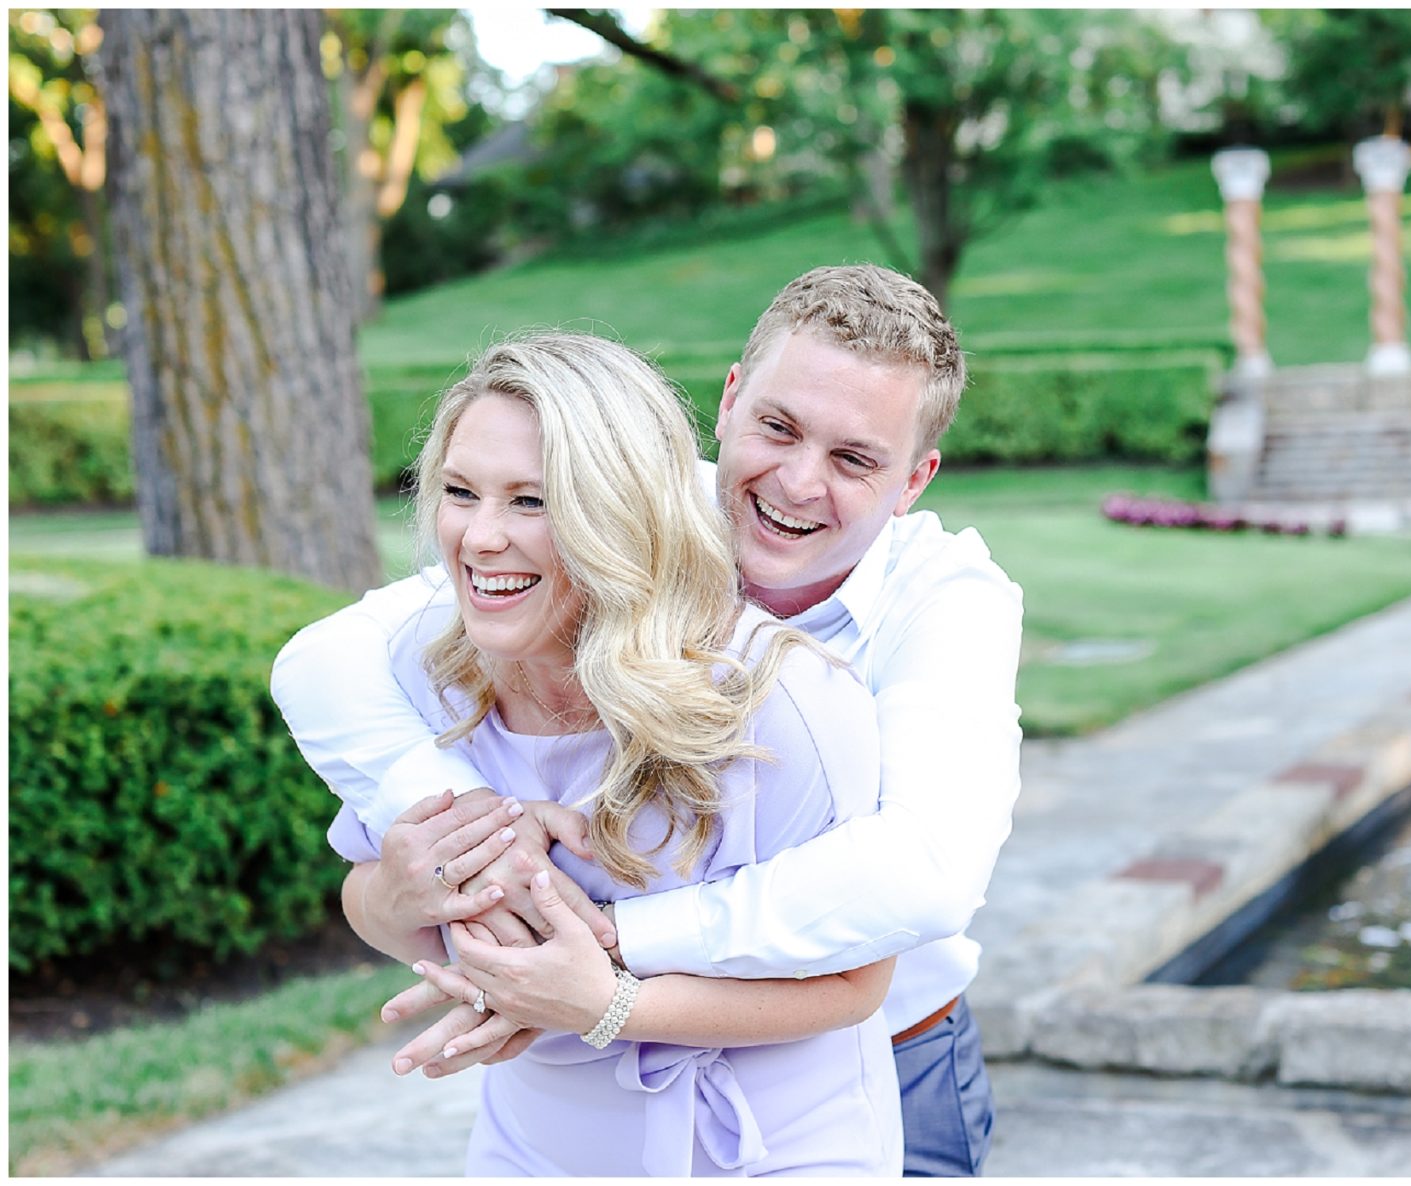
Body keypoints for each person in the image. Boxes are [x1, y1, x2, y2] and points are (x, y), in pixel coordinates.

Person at [275, 266, 1022, 1175]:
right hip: (585, 1099)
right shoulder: (611, 522)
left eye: (855, 458)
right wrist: (482, 843)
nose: (795, 481)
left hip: (878, 1055)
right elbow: (330, 658)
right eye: (777, 428)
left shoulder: (942, 605)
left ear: (914, 479)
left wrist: (609, 948)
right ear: (732, 399)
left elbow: (922, 880)